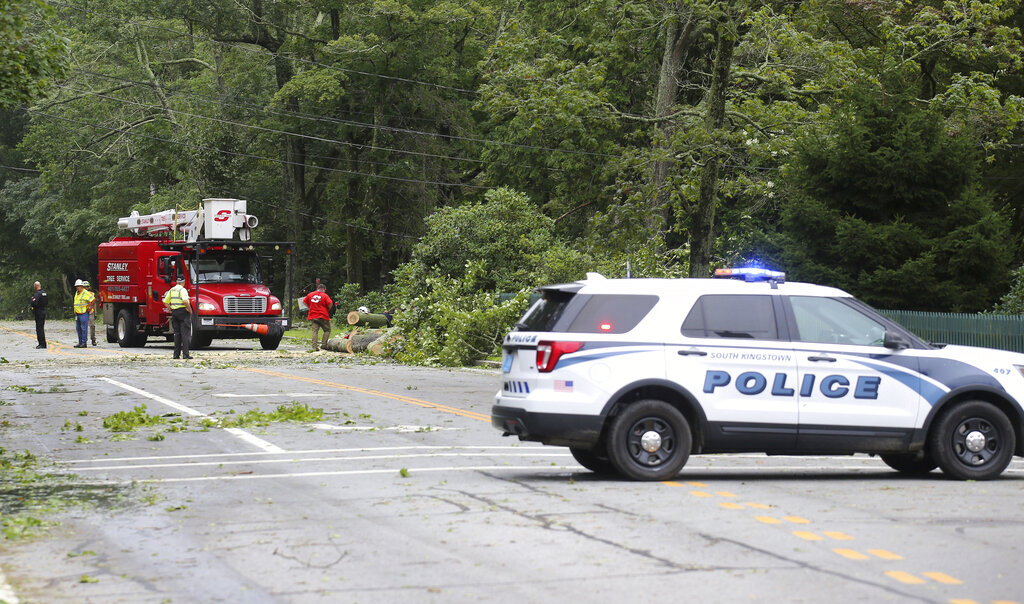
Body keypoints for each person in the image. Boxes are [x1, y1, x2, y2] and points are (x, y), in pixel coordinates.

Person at [162, 276, 193, 359]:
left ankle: (176, 355)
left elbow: (165, 302)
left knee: (177, 334)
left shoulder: (172, 290)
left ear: (176, 281)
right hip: (183, 312)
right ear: (183, 282)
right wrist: (190, 310)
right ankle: (185, 354)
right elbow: (185, 301)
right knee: (185, 334)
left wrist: (171, 309)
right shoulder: (183, 290)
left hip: (175, 313)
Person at [303, 283, 334, 351]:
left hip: (313, 315)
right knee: (327, 330)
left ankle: (314, 346)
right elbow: (330, 303)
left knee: (315, 331)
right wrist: (328, 309)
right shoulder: (325, 295)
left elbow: (304, 301)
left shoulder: (310, 294)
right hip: (323, 315)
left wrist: (309, 307)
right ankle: (324, 345)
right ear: (323, 289)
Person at [72, 279, 94, 348]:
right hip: (78, 314)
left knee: (84, 328)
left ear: (82, 286)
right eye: (76, 286)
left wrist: (90, 308)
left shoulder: (85, 292)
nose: (77, 287)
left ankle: (84, 343)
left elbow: (93, 300)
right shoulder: (77, 293)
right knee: (78, 328)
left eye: (79, 286)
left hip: (83, 313)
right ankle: (80, 342)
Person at [29, 281, 48, 349]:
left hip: (38, 312)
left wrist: (32, 301)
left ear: (35, 286)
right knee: (41, 327)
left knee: (39, 328)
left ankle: (41, 344)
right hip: (43, 311)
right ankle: (43, 343)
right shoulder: (44, 293)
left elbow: (34, 303)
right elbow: (47, 302)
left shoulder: (37, 294)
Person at [83, 280, 98, 346]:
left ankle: (93, 339)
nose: (85, 288)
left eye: (87, 287)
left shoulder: (91, 294)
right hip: (83, 312)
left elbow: (94, 303)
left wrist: (95, 312)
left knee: (92, 326)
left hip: (90, 312)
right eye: (84, 287)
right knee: (83, 327)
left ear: (89, 287)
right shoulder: (80, 294)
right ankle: (83, 340)